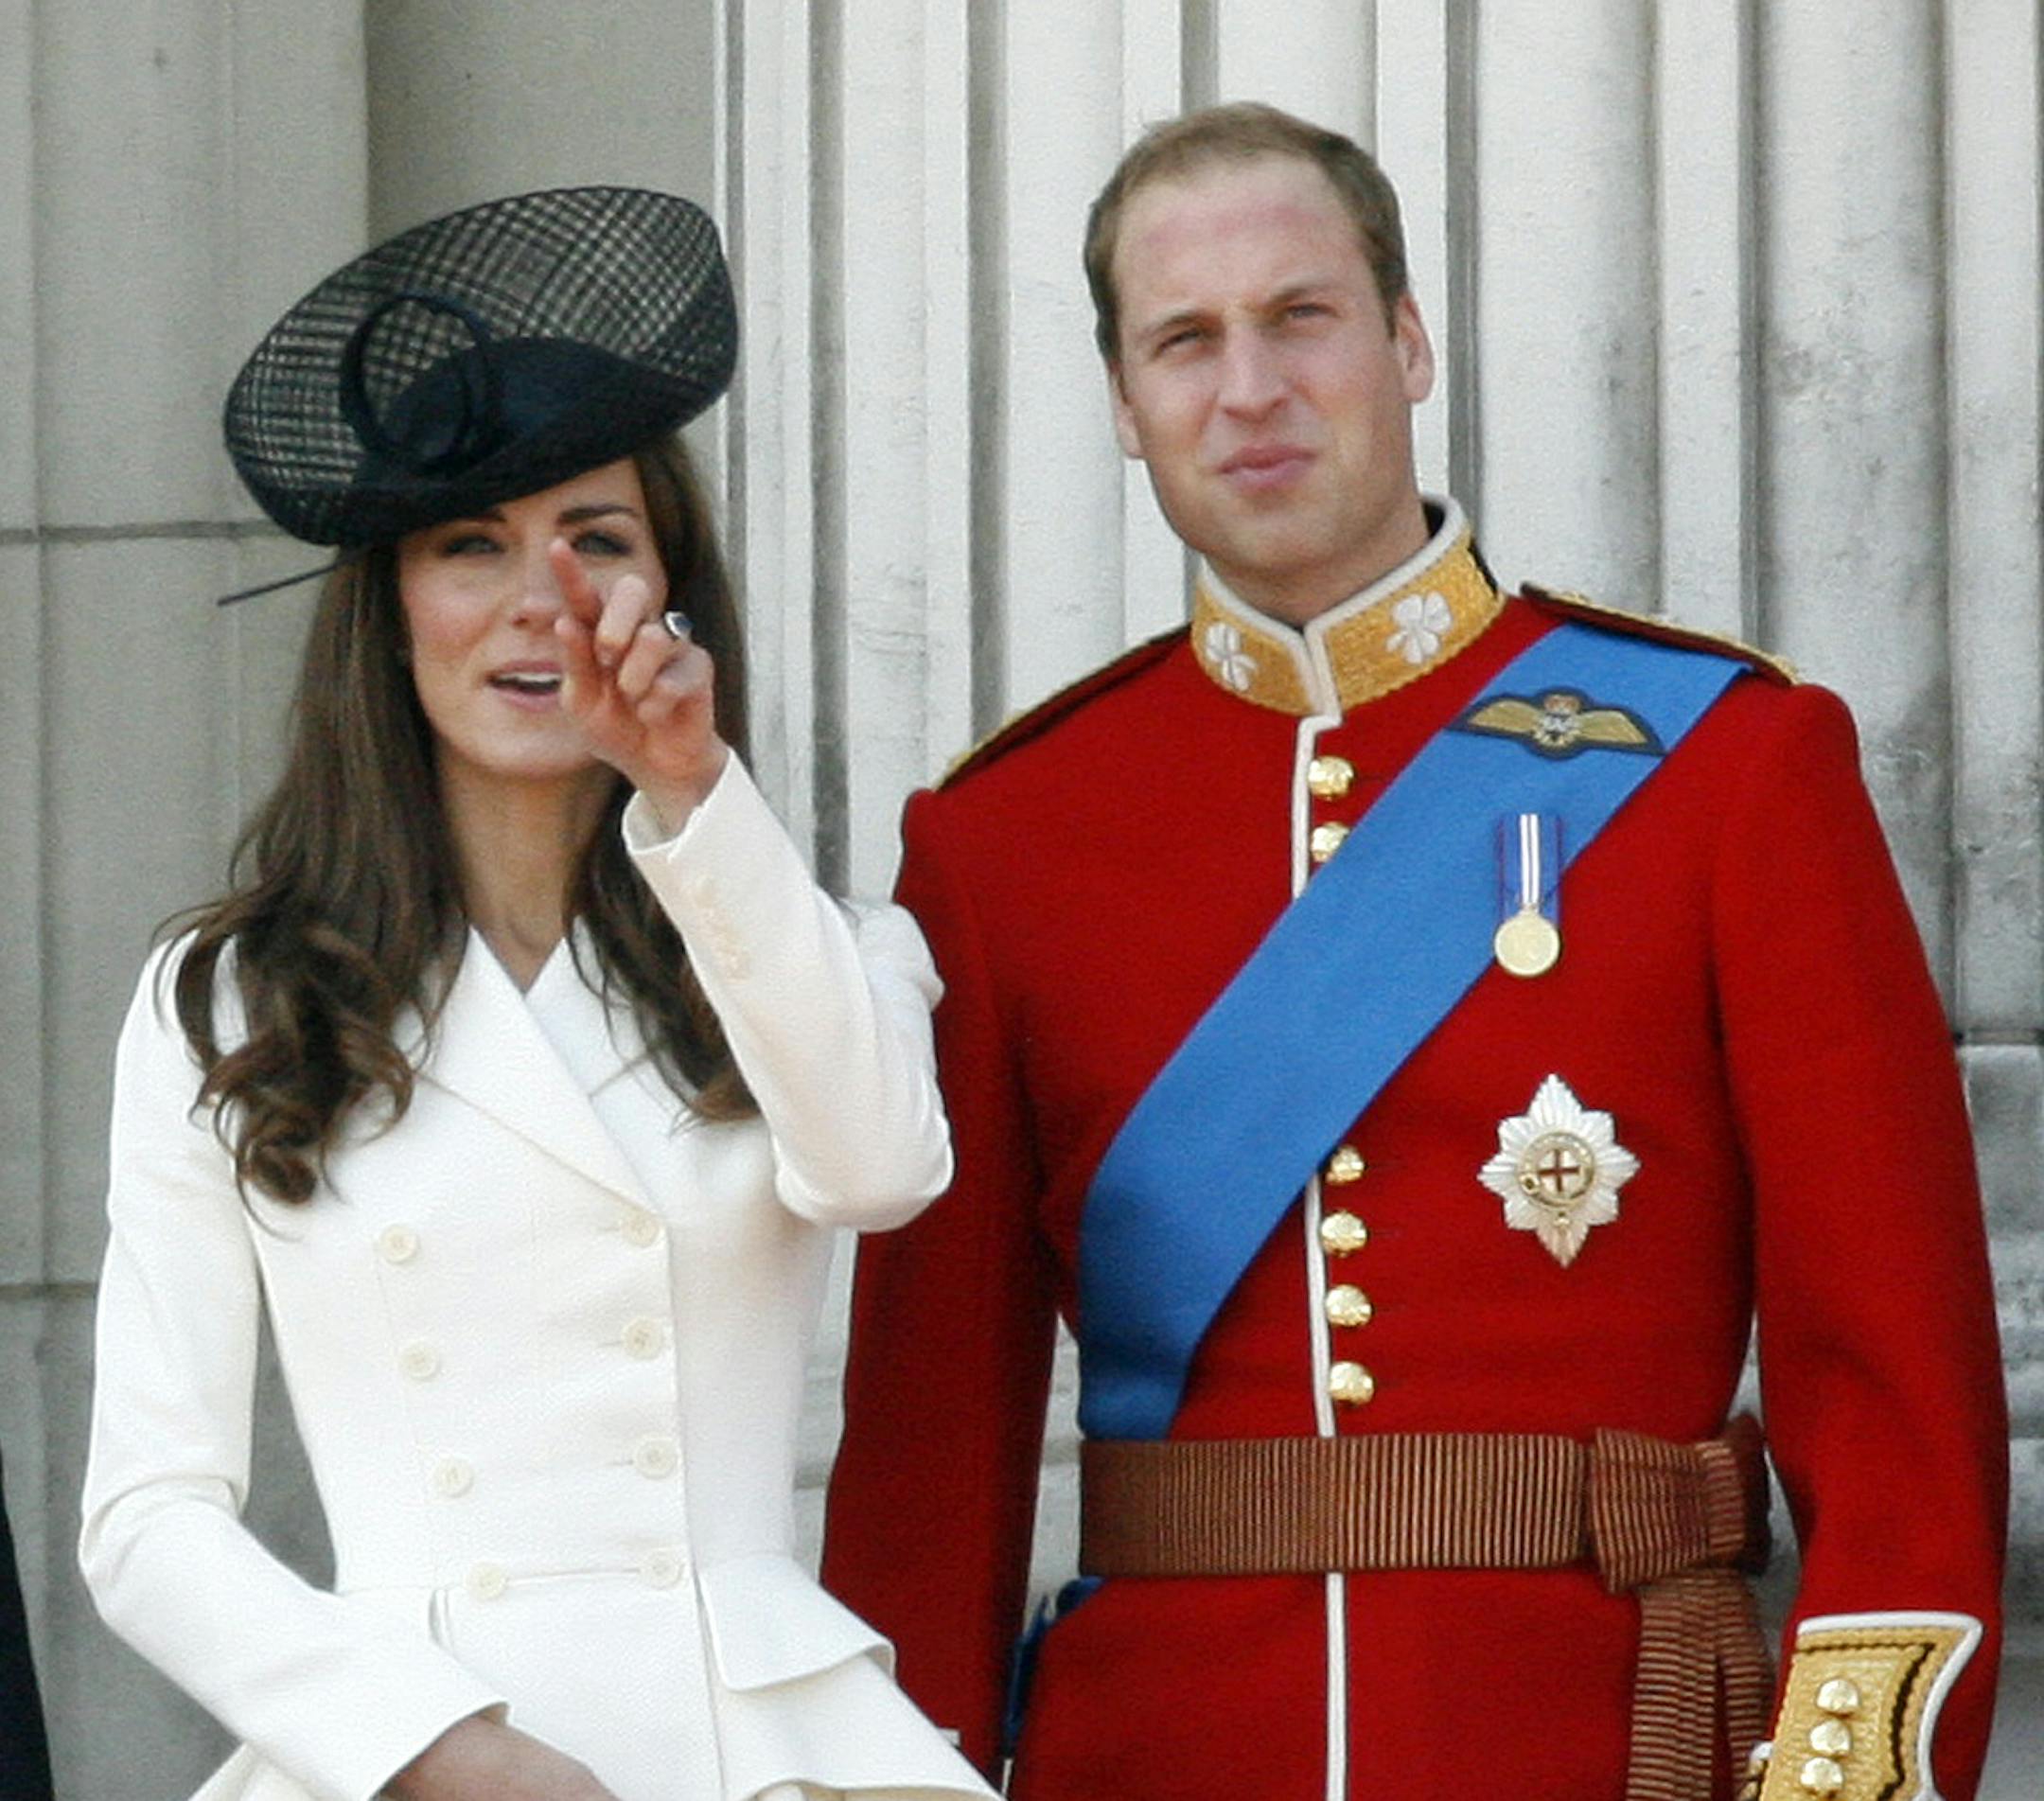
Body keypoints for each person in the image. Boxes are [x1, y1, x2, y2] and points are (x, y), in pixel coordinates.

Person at [821, 103, 2008, 1801]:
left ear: (1409, 340)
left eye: (1300, 315)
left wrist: (1845, 1782)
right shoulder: (1002, 841)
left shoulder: (1729, 766)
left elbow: (1896, 1385)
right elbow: (928, 1472)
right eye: (1184, 341)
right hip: (1154, 1752)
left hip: (1608, 1746)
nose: (1249, 389)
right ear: (1125, 404)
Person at [79, 186, 994, 1801]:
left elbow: (878, 1169)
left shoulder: (814, 938)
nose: (537, 597)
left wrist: (696, 799)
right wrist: (432, 1747)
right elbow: (147, 1519)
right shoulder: (224, 998)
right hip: (408, 1753)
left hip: (757, 1744)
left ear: (670, 594)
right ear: (390, 607)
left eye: (597, 540)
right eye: (470, 546)